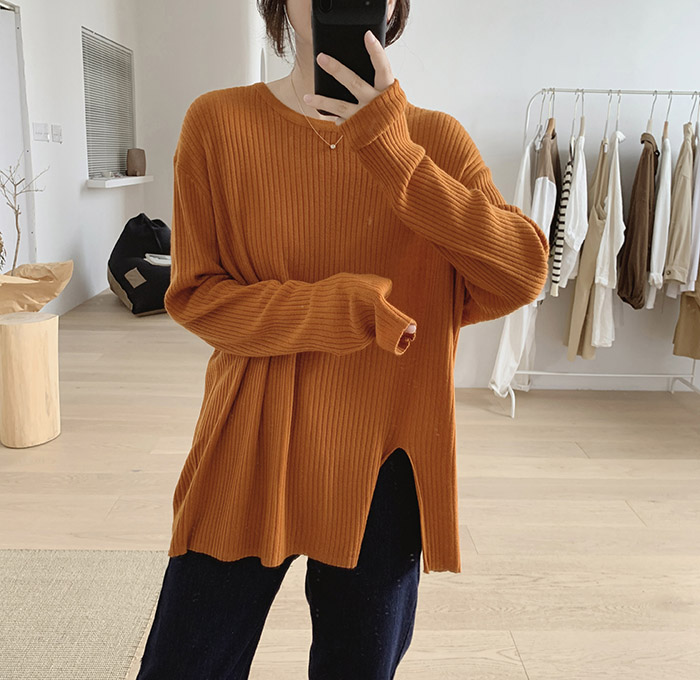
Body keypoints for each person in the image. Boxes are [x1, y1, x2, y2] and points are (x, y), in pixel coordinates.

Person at [136, 0, 549, 678]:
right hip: (249, 440)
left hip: (385, 453)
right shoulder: (217, 123)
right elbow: (196, 297)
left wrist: (390, 148)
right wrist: (339, 310)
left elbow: (522, 271)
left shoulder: (433, 139)